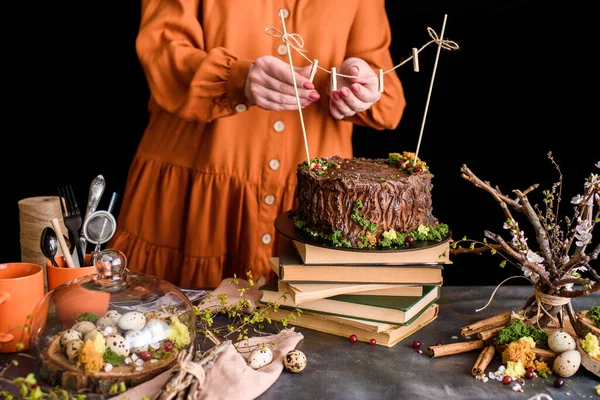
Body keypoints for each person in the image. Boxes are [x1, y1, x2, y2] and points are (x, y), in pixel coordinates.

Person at [109, 0, 406, 288]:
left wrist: (359, 81)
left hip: (312, 202)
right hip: (190, 198)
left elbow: (388, 97)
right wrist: (236, 79)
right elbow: (162, 51)